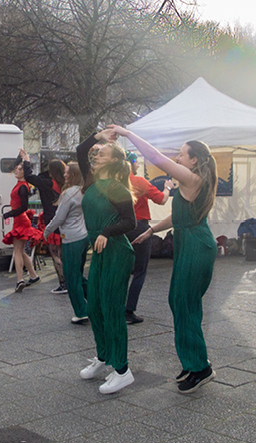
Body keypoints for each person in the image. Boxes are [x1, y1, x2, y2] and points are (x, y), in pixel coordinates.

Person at [112, 125, 219, 393]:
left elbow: (158, 158)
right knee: (179, 301)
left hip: (196, 245)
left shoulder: (192, 180)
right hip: (189, 241)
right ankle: (192, 361)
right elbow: (180, 216)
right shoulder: (190, 183)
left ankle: (200, 367)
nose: (178, 158)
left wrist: (128, 135)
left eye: (182, 155)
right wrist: (151, 230)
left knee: (185, 302)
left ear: (194, 160)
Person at [75, 130, 136, 395]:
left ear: (113, 161)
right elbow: (81, 150)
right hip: (100, 252)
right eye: (96, 152)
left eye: (102, 152)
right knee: (95, 307)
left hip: (117, 253)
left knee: (112, 310)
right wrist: (97, 135)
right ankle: (104, 357)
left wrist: (105, 232)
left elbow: (130, 222)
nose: (96, 154)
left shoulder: (116, 188)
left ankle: (122, 370)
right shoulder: (93, 180)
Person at [124, 151, 173, 325]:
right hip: (138, 227)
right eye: (136, 162)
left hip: (119, 228)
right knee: (140, 270)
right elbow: (161, 200)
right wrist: (167, 187)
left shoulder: (114, 183)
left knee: (121, 270)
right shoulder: (138, 182)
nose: (138, 165)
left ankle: (114, 306)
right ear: (130, 164)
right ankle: (129, 310)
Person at [43, 161, 89, 324]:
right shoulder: (82, 191)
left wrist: (46, 231)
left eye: (68, 172)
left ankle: (81, 311)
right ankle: (95, 298)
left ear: (74, 174)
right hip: (83, 237)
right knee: (76, 274)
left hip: (71, 239)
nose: (65, 174)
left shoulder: (68, 193)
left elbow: (59, 217)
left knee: (70, 277)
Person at [20, 151, 67, 293]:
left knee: (55, 254)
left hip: (52, 221)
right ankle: (70, 282)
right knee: (63, 254)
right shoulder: (65, 184)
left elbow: (30, 177)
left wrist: (26, 161)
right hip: (65, 222)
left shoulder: (48, 183)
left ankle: (63, 284)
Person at [2, 157, 43, 292]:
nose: (16, 170)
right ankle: (33, 275)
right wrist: (22, 157)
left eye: (20, 169)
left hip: (21, 220)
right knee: (20, 250)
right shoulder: (20, 185)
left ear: (24, 172)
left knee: (18, 251)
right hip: (19, 219)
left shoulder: (23, 187)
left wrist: (8, 214)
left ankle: (20, 279)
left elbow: (23, 207)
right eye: (16, 168)